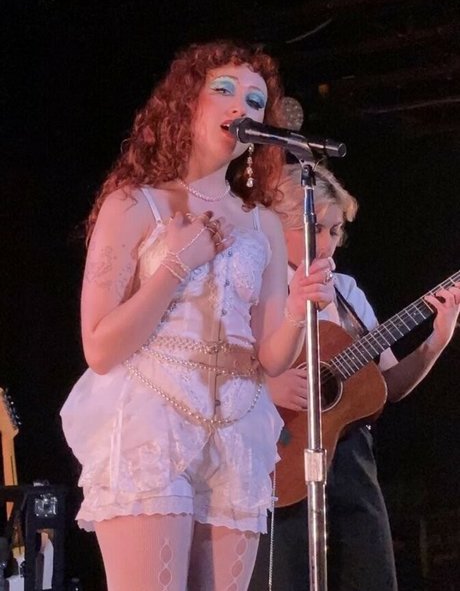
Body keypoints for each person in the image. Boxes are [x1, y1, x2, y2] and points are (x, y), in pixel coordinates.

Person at [60, 40, 336, 591]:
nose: (242, 107)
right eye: (224, 90)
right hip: (153, 418)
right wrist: (176, 265)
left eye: (255, 101)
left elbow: (271, 357)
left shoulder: (260, 223)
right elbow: (100, 347)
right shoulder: (134, 203)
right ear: (186, 103)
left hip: (235, 427)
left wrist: (297, 309)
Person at [249, 162, 460, 591]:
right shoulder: (256, 286)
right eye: (316, 228)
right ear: (278, 226)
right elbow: (219, 368)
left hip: (351, 463)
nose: (327, 243)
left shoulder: (346, 291)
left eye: (335, 230)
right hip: (281, 457)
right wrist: (266, 386)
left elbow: (387, 385)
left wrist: (436, 341)